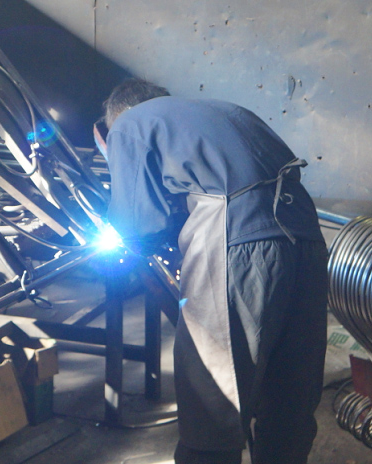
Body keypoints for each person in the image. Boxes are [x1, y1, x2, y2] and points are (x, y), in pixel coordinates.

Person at [98, 79, 328, 464]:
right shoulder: (223, 111)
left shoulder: (127, 125)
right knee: (290, 398)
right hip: (306, 238)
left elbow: (137, 224)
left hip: (237, 240)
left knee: (212, 398)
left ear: (118, 115)